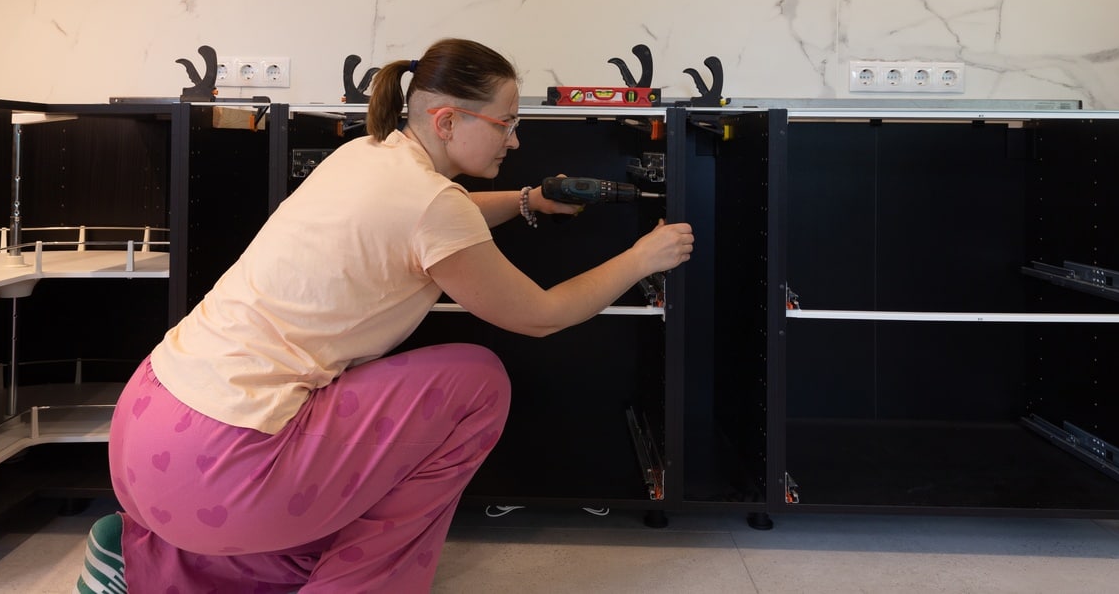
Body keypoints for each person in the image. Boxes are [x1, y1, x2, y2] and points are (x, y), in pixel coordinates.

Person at [78, 37, 695, 593]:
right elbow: (540, 314)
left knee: (335, 425)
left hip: (149, 428)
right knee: (477, 382)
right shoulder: (431, 205)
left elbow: (431, 221)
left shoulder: (368, 155)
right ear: (447, 119)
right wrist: (643, 257)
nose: (516, 140)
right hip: (222, 466)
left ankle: (138, 562)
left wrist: (528, 200)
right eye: (507, 123)